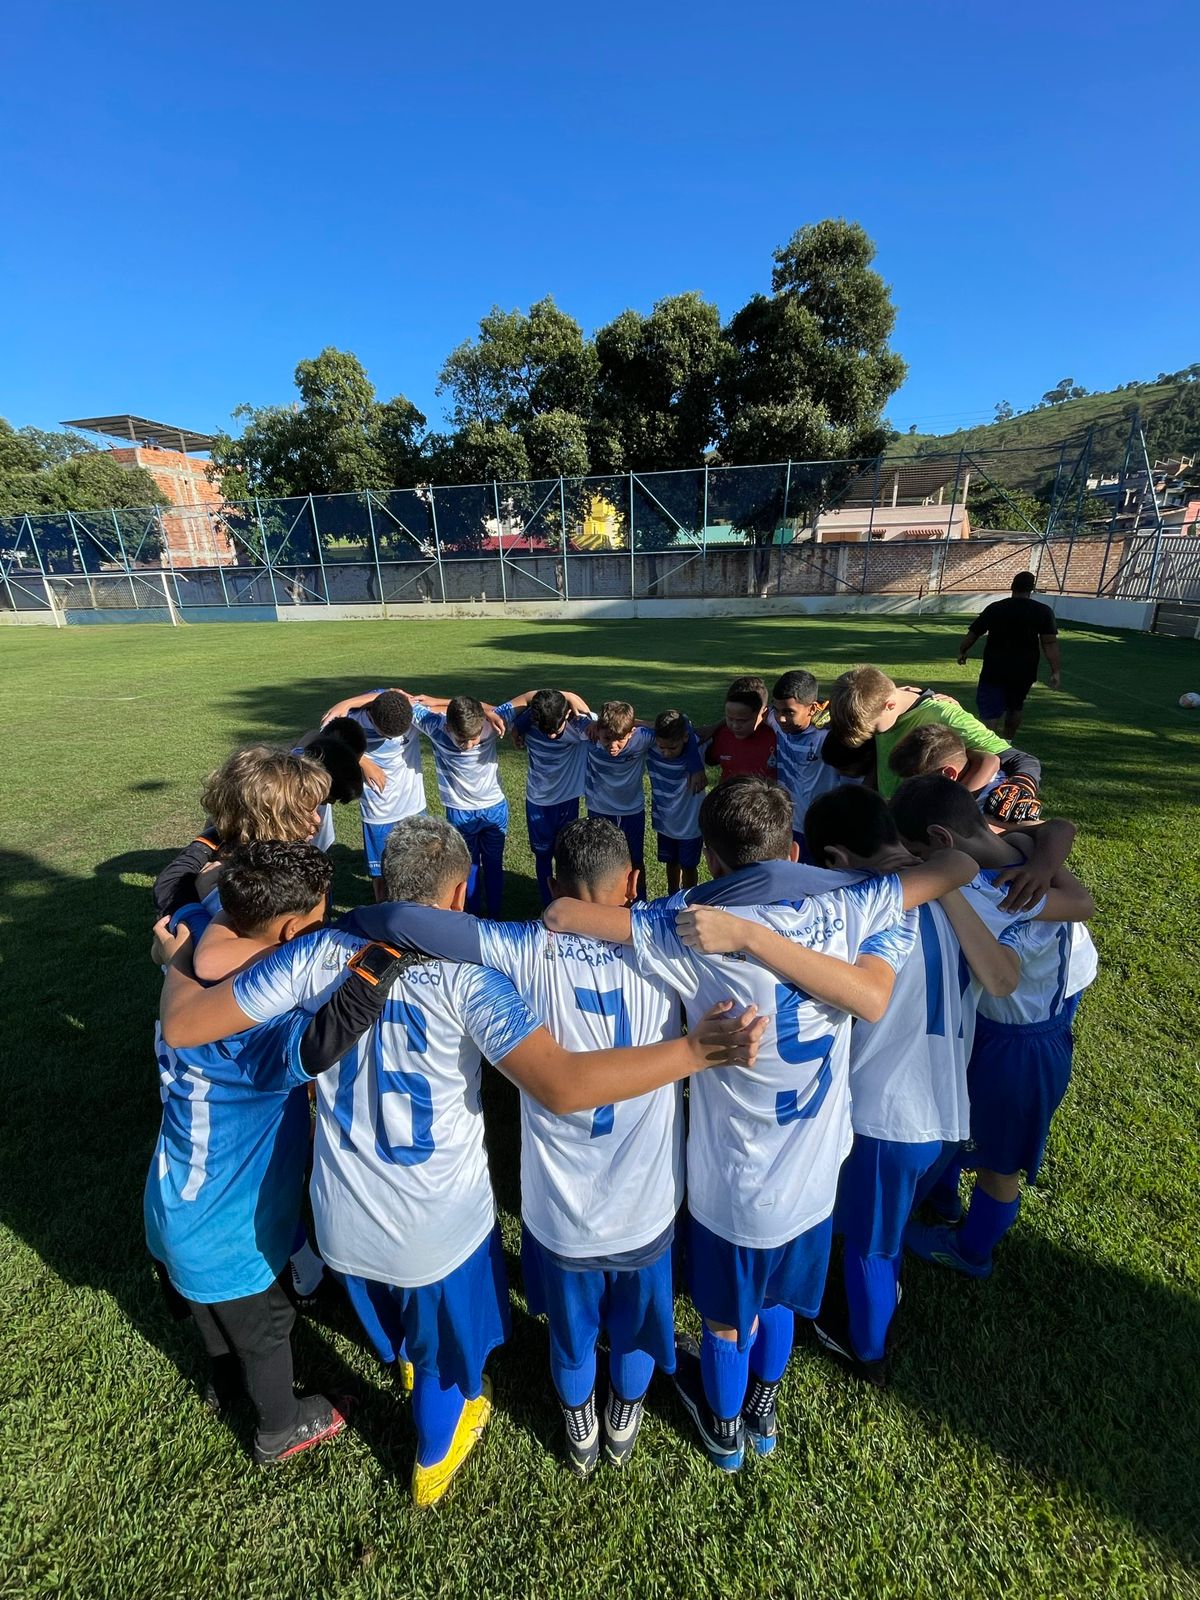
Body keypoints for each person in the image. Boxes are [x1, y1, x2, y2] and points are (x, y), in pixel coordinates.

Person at [160, 816, 764, 1506]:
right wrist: (695, 1051)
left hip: (343, 1221)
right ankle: (433, 1457)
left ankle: (423, 1369)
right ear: (460, 894)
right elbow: (561, 1082)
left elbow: (185, 1024)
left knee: (409, 1338)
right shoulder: (476, 980)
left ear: (379, 887)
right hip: (439, 1229)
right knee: (446, 1363)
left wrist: (179, 957)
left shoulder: (316, 949)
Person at [545, 776, 978, 1471]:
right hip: (815, 1174)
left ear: (711, 859)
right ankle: (764, 1413)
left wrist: (737, 929)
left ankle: (724, 1433)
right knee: (778, 1305)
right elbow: (958, 864)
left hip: (735, 1188)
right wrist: (877, 876)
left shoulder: (690, 925)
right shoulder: (855, 906)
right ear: (795, 849)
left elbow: (571, 915)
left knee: (725, 1321)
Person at [146, 841, 407, 1467]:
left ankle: (222, 1384)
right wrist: (377, 968)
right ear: (292, 932)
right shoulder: (254, 1032)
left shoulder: (196, 960)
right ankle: (278, 1428)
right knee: (267, 1330)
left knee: (211, 1313)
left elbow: (189, 898)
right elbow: (321, 1040)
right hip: (227, 1229)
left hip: (172, 1201)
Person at [795, 788, 1019, 1383]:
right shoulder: (957, 894)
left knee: (872, 1243)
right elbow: (1002, 979)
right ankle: (879, 1296)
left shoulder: (854, 912)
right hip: (947, 1113)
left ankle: (867, 1350)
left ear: (836, 859)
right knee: (882, 1227)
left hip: (886, 1117)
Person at [889, 775, 1098, 1279]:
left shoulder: (989, 895)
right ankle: (946, 1204)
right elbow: (1059, 835)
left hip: (1019, 1047)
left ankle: (971, 1251)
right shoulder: (1021, 856)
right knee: (972, 1130)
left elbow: (1001, 975)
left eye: (919, 854)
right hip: (1019, 1028)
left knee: (1000, 1163)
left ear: (941, 840)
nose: (919, 863)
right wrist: (1042, 859)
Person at [152, 746, 331, 918]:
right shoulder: (248, 887)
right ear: (266, 820)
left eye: (317, 809)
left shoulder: (218, 875)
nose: (318, 820)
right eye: (307, 812)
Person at [404, 692, 513, 916]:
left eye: (473, 738)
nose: (469, 746)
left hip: (490, 809)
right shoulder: (492, 723)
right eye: (462, 740)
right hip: (467, 811)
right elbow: (520, 703)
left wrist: (438, 703)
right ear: (448, 727)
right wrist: (490, 711)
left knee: (492, 864)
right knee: (468, 867)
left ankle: (493, 916)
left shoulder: (434, 725)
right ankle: (472, 915)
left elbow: (408, 704)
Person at [828, 666, 1010, 800]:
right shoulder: (876, 704)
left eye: (875, 730)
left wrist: (953, 808)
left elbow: (1012, 759)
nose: (875, 735)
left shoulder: (944, 714)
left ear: (889, 705)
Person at [585, 701, 703, 901]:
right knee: (601, 861)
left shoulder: (642, 738)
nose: (613, 746)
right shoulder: (589, 734)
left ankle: (641, 901)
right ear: (598, 730)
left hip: (632, 812)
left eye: (619, 739)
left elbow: (683, 730)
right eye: (607, 738)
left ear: (631, 733)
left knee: (635, 861)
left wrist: (695, 764)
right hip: (598, 809)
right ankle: (605, 903)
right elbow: (562, 715)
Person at [320, 688, 427, 901]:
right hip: (378, 813)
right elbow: (325, 737)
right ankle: (383, 912)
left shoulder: (408, 713)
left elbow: (391, 693)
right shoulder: (351, 720)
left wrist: (347, 701)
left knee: (420, 870)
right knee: (381, 877)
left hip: (414, 807)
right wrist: (361, 759)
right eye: (386, 735)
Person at [507, 687, 594, 904]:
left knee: (567, 854)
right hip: (538, 802)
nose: (552, 735)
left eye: (556, 730)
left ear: (568, 714)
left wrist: (570, 696)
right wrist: (517, 728)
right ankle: (548, 903)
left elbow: (604, 725)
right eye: (545, 731)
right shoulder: (527, 722)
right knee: (543, 855)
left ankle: (569, 902)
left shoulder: (580, 726)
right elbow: (501, 714)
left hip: (567, 801)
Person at [957, 572, 1061, 741]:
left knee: (990, 711)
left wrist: (963, 651)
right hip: (1024, 670)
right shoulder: (1043, 611)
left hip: (994, 668)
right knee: (1015, 707)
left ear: (1012, 586)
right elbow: (1049, 643)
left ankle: (989, 745)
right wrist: (1055, 671)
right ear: (1031, 588)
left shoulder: (995, 608)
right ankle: (1007, 743)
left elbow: (974, 633)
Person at [887, 724, 1044, 826]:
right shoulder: (975, 774)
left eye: (915, 781)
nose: (910, 788)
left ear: (948, 774)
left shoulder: (997, 804)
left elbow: (1033, 828)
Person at [768, 669, 849, 845]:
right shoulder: (775, 721)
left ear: (812, 708)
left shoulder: (827, 737)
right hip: (786, 825)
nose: (781, 719)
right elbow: (753, 710)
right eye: (777, 710)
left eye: (789, 712)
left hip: (820, 828)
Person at [647, 710, 707, 894]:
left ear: (685, 738)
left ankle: (688, 898)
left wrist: (695, 763)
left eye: (672, 748)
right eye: (662, 747)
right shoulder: (649, 746)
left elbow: (714, 729)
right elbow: (630, 725)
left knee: (689, 866)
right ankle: (672, 896)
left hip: (690, 826)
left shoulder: (697, 746)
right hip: (665, 823)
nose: (666, 753)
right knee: (671, 862)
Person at [704, 682, 777, 784]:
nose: (735, 726)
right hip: (729, 793)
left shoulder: (775, 737)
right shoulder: (722, 735)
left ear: (763, 714)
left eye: (743, 721)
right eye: (730, 718)